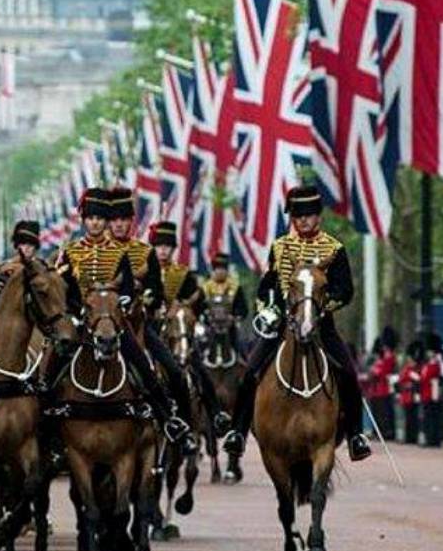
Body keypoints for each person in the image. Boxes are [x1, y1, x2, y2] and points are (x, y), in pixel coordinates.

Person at [220, 185, 372, 462]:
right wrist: (268, 310)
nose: (303, 220)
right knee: (250, 373)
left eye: (309, 214)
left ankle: (356, 435)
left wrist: (323, 307)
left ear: (318, 217)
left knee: (349, 374)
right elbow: (267, 287)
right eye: (298, 215)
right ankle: (237, 432)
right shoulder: (280, 248)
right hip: (282, 325)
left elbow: (345, 290)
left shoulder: (334, 249)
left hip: (321, 324)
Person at [57, 189, 191, 444]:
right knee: (53, 363)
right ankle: (45, 418)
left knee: (158, 367)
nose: (101, 222)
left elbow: (139, 287)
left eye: (103, 218)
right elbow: (63, 287)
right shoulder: (71, 251)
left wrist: (134, 300)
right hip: (82, 322)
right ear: (84, 220)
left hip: (124, 321)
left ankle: (170, 419)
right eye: (91, 217)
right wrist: (74, 310)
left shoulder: (125, 254)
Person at [150, 220, 223, 427]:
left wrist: (186, 309)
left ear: (173, 248)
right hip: (152, 329)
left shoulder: (183, 274)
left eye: (167, 246)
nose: (163, 250)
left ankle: (215, 412)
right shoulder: (146, 271)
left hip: (179, 331)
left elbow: (198, 305)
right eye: (159, 246)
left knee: (198, 368)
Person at [365, 327, 400, 441]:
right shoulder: (384, 356)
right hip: (377, 388)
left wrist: (373, 371)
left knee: (384, 412)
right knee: (378, 412)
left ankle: (386, 432)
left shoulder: (389, 356)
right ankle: (379, 431)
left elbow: (382, 371)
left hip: (384, 388)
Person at [418, 333, 443, 447]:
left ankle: (433, 439)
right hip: (426, 393)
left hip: (432, 394)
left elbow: (432, 379)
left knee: (433, 417)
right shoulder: (428, 364)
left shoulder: (436, 364)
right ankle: (429, 438)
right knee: (428, 417)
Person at [398, 339, 422, 444]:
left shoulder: (416, 368)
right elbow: (401, 380)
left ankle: (412, 437)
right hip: (406, 395)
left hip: (413, 395)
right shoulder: (407, 368)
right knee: (408, 418)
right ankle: (409, 437)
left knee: (413, 417)